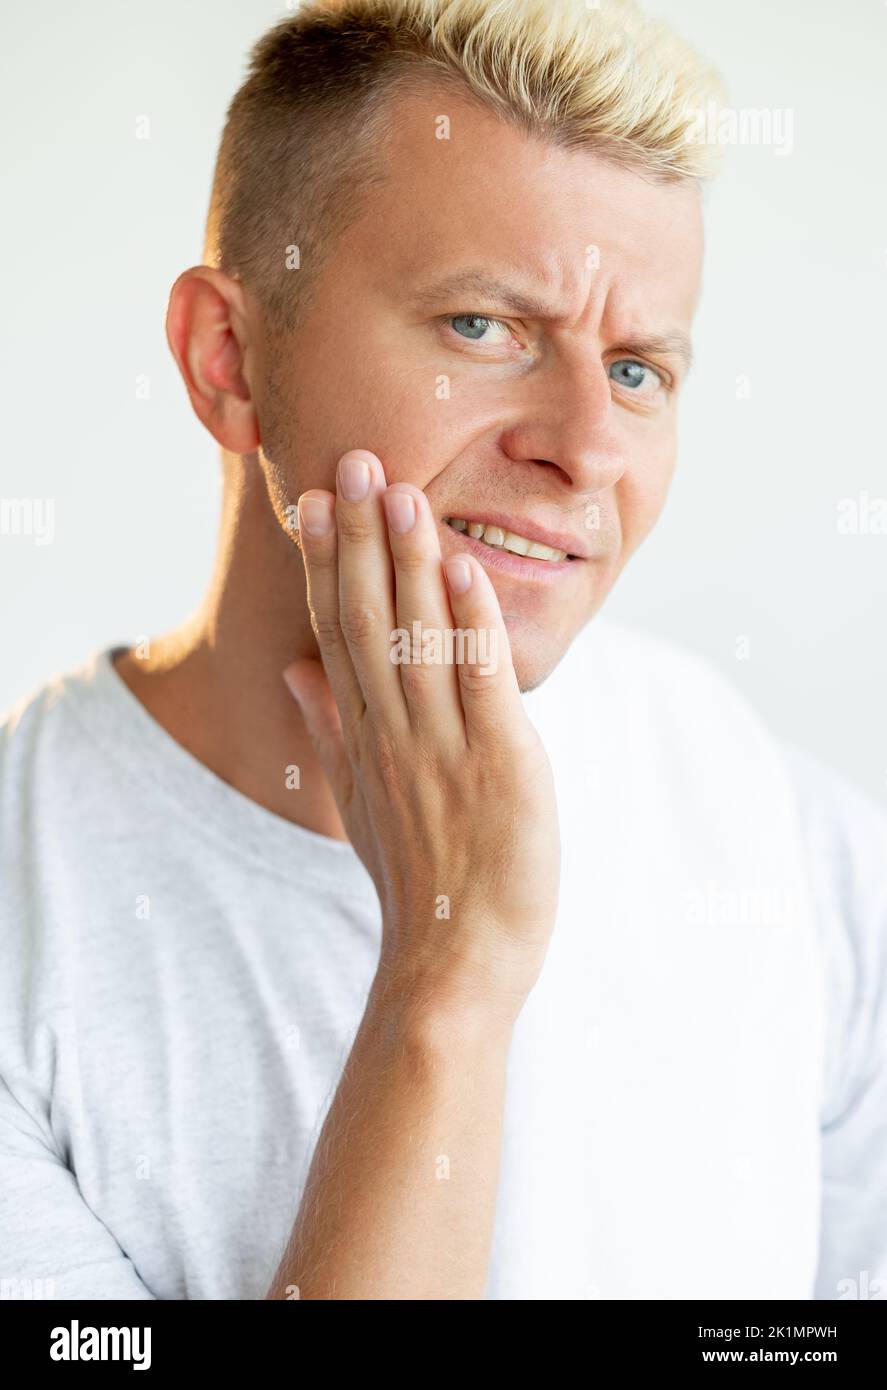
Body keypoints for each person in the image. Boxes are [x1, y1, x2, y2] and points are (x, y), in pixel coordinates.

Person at [1, 0, 885, 1301]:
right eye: (486, 326)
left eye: (638, 369)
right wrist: (447, 976)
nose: (584, 445)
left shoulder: (799, 859)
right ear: (227, 358)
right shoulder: (31, 918)